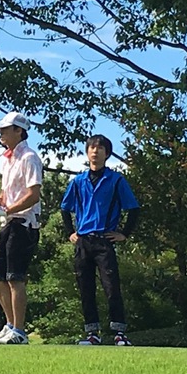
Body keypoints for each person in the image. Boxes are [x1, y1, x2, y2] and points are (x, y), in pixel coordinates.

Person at [60, 135, 140, 346]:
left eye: (100, 148)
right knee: (85, 289)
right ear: (87, 152)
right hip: (83, 241)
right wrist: (70, 232)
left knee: (111, 287)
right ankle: (92, 333)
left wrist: (124, 233)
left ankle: (119, 333)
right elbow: (65, 208)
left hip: (104, 240)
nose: (95, 151)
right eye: (92, 148)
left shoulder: (116, 180)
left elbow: (133, 208)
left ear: (107, 153)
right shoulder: (78, 181)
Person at [0, 111, 42, 345]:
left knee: (14, 278)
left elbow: (33, 194)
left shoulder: (29, 157)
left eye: (5, 129)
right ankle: (10, 326)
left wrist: (8, 209)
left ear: (19, 131)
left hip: (24, 223)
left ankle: (19, 331)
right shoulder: (8, 159)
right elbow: (7, 193)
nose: (1, 133)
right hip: (9, 222)